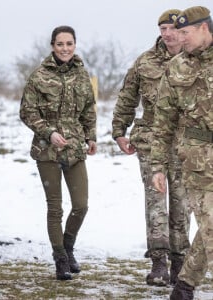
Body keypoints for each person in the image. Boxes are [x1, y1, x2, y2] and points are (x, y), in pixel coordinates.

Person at [111, 9, 191, 286]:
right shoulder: (145, 62)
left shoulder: (195, 59)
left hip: (185, 143)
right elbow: (127, 97)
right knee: (156, 201)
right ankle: (159, 262)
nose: (167, 34)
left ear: (183, 31)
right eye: (163, 29)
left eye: (172, 29)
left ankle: (181, 261)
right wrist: (119, 132)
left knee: (182, 202)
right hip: (151, 139)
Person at [19, 25, 97, 280]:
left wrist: (91, 137)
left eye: (69, 44)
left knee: (81, 206)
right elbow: (27, 112)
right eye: (60, 44)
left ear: (75, 45)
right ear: (52, 45)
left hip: (74, 149)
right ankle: (60, 258)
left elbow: (88, 110)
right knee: (55, 208)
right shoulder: (39, 76)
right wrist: (49, 132)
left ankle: (68, 247)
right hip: (47, 151)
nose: (65, 48)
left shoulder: (83, 75)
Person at [151, 6, 213, 300]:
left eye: (185, 33)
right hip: (199, 160)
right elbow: (163, 122)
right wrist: (158, 166)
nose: (179, 38)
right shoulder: (176, 67)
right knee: (212, 227)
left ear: (204, 28)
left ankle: (185, 285)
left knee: (209, 228)